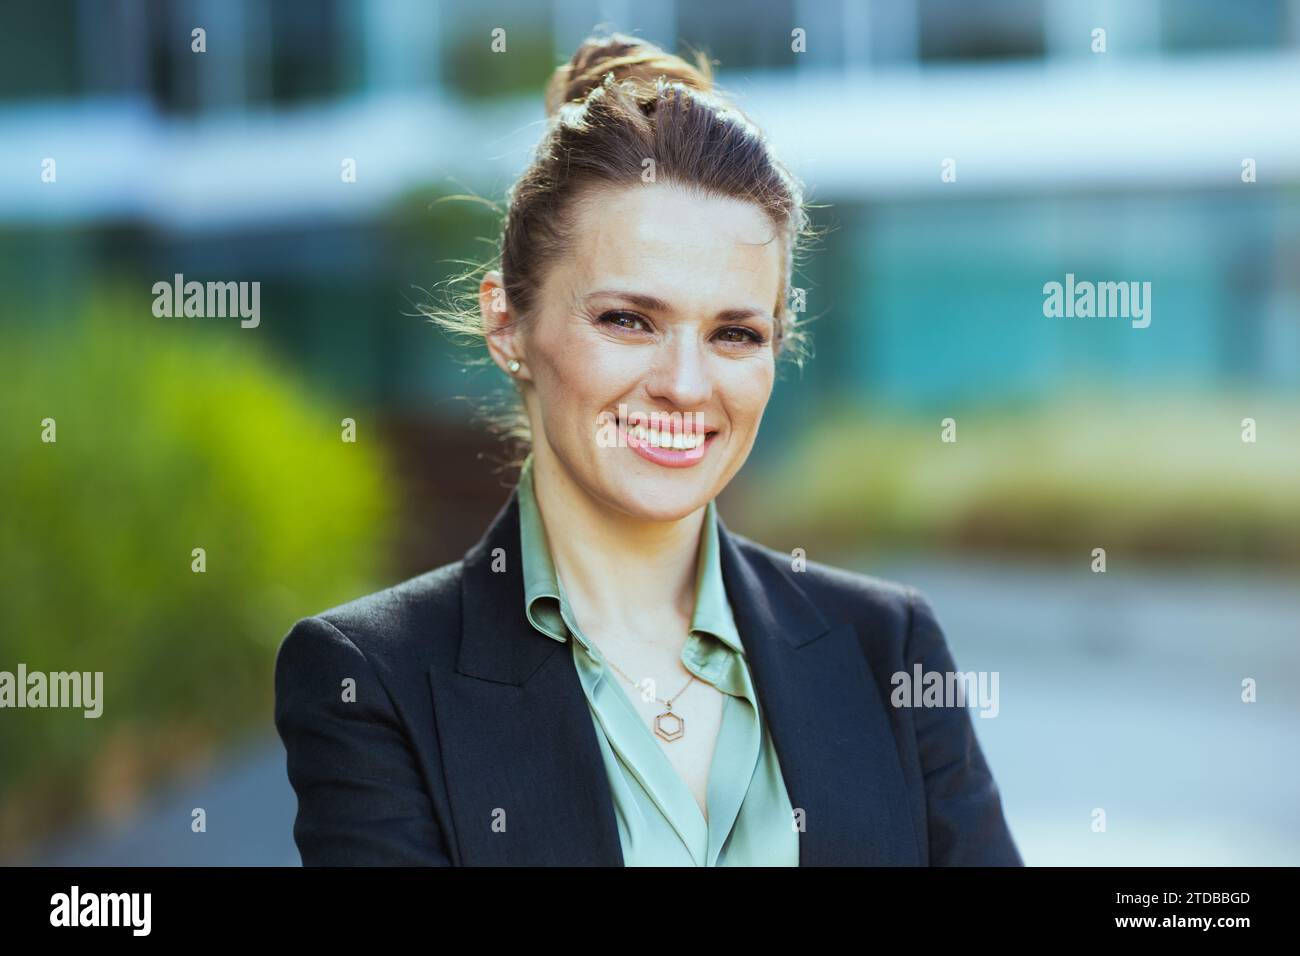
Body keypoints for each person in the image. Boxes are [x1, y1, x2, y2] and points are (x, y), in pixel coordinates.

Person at [273, 32, 1022, 866]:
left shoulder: (890, 647)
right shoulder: (371, 680)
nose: (686, 384)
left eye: (735, 332)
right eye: (628, 319)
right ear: (506, 323)